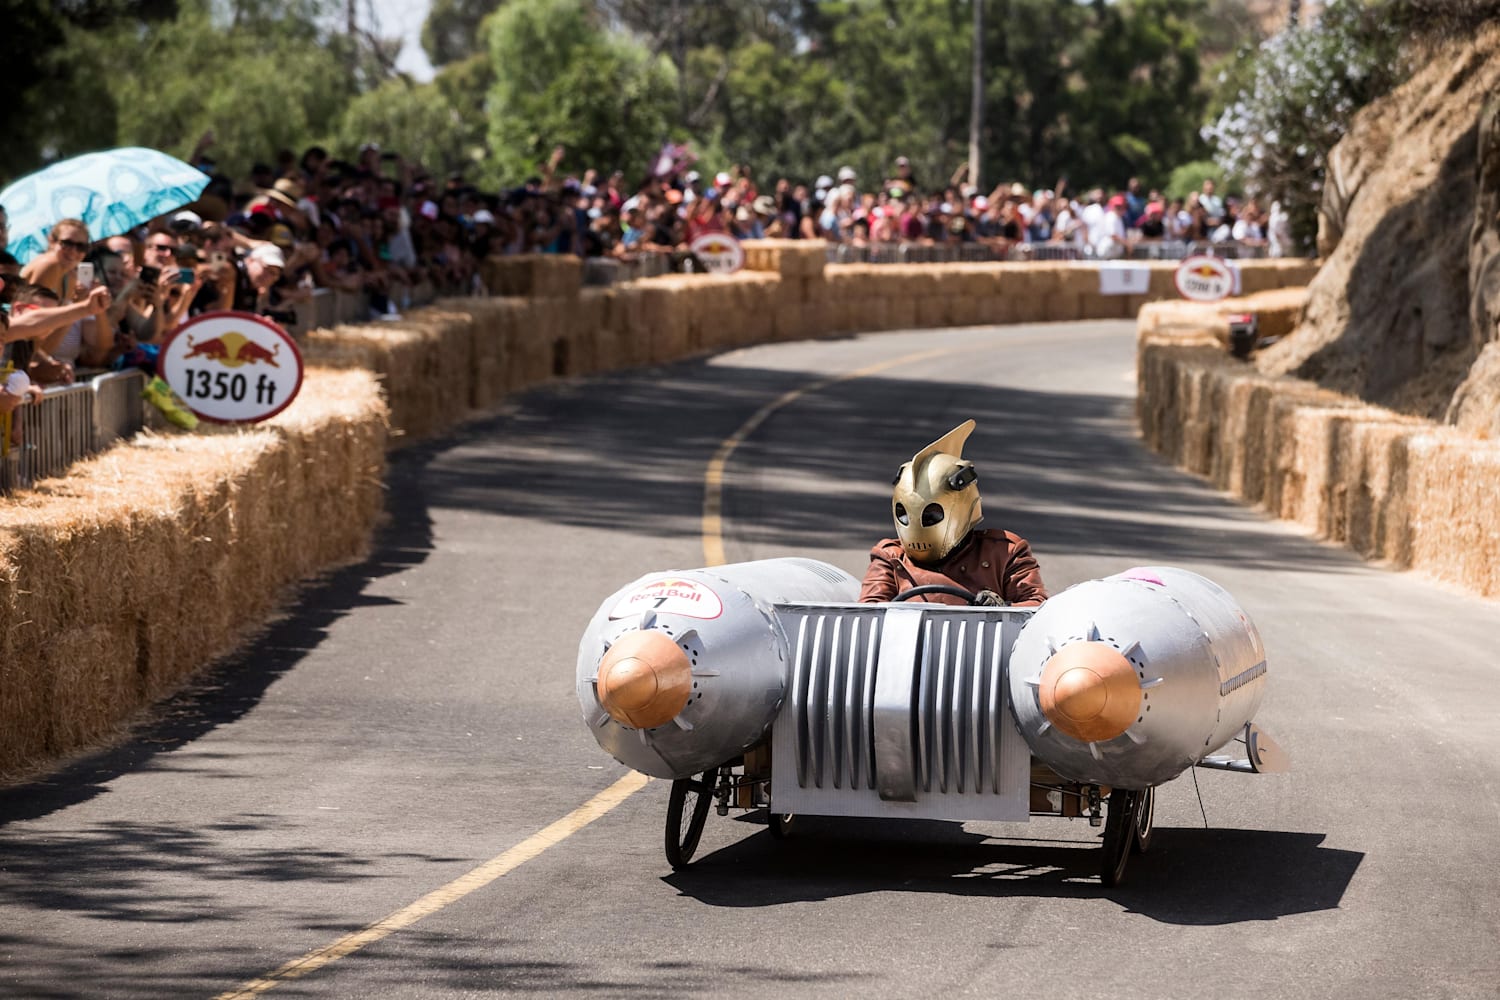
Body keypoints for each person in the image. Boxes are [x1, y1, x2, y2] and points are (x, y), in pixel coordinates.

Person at [859, 420, 1049, 607]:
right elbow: (869, 613)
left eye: (931, 516)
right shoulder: (891, 557)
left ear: (960, 507)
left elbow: (1037, 606)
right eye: (905, 515)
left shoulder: (1004, 553)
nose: (918, 525)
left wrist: (1001, 609)